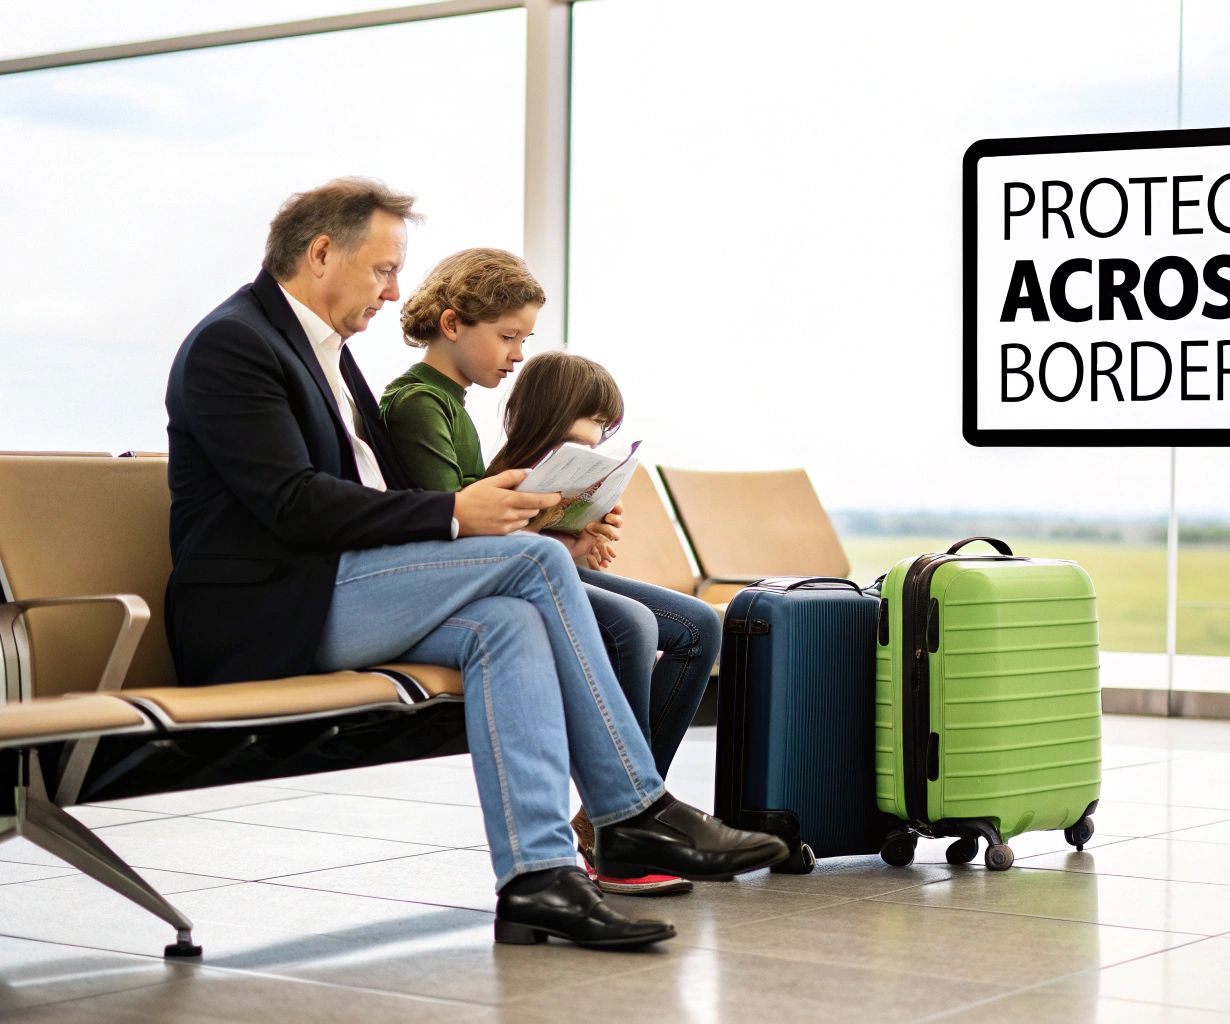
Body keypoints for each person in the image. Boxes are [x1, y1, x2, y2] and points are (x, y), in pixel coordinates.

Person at [163, 177, 785, 951]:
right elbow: (293, 505)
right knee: (533, 566)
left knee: (507, 623)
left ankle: (539, 880)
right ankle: (633, 811)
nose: (395, 293)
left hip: (341, 589)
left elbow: (370, 491)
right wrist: (459, 512)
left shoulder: (328, 356)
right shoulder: (236, 344)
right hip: (266, 610)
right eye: (384, 270)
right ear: (321, 253)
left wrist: (482, 506)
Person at [382, 249, 723, 896]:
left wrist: (566, 523)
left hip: (502, 566)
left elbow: (476, 513)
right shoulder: (417, 406)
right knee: (634, 625)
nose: (516, 355)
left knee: (697, 624)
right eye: (507, 336)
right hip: (464, 586)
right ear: (453, 325)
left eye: (524, 339)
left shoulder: (449, 405)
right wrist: (555, 531)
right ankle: (617, 824)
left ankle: (615, 816)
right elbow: (453, 528)